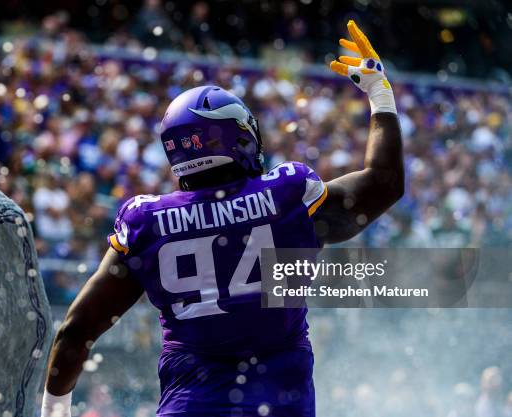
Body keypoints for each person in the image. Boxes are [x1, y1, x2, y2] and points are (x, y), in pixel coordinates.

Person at [41, 21, 403, 417]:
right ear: (239, 137)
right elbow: (385, 183)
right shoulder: (287, 195)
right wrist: (378, 92)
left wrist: (53, 412)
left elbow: (75, 332)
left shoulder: (147, 220)